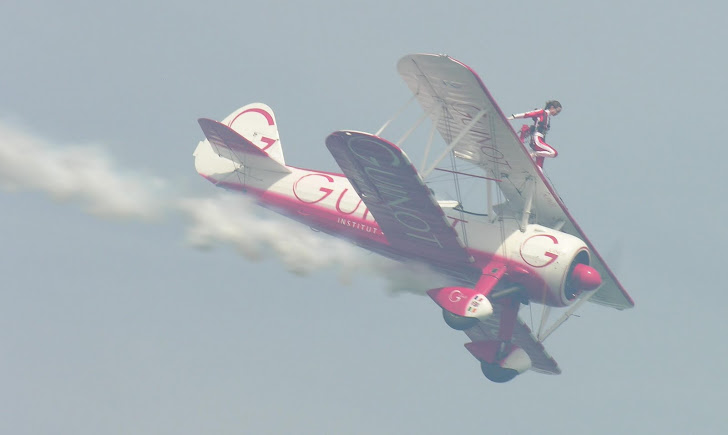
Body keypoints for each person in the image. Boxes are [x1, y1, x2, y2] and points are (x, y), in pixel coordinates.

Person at [508, 100, 562, 169]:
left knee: (539, 167)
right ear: (552, 107)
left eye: (558, 112)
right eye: (557, 110)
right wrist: (513, 117)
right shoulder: (542, 112)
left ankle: (534, 154)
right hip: (537, 139)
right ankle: (534, 153)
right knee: (554, 153)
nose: (557, 113)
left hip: (542, 140)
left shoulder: (548, 118)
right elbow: (527, 114)